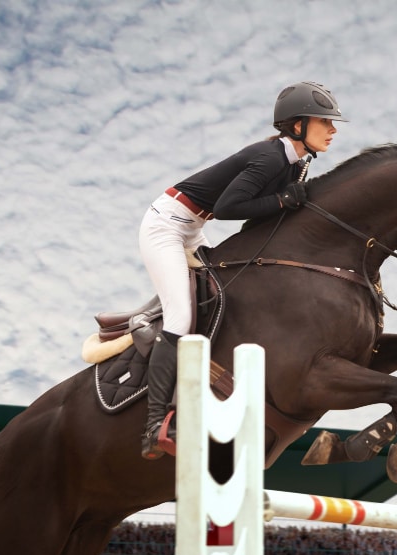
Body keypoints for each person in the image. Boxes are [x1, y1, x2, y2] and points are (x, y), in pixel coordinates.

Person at [139, 81, 346, 459]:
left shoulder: (294, 162)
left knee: (228, 292)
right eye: (325, 121)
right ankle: (154, 425)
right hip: (166, 225)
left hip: (193, 229)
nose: (333, 130)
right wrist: (283, 200)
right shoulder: (270, 158)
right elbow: (229, 207)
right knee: (181, 315)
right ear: (297, 124)